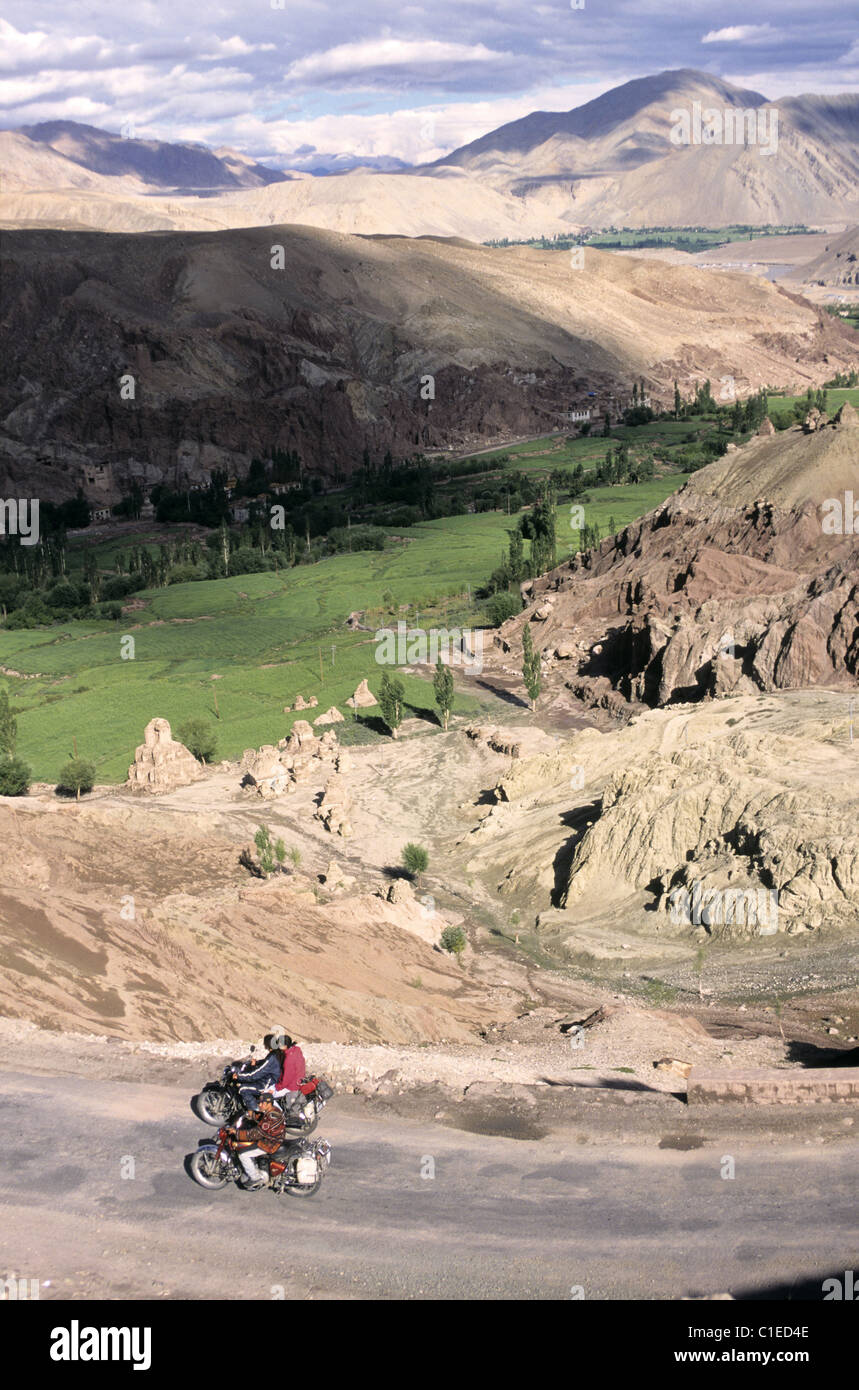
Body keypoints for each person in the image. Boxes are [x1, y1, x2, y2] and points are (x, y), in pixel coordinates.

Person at [231, 1094, 290, 1189]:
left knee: (243, 1154)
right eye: (259, 1102)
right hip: (272, 1139)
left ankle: (255, 1178)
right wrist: (250, 1114)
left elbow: (256, 1134)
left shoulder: (272, 1117)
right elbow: (261, 1117)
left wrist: (237, 1133)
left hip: (270, 1143)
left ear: (268, 1104)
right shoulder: (273, 1111)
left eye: (262, 1103)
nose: (259, 1105)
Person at [233, 1033, 286, 1110]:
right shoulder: (275, 1054)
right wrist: (256, 1063)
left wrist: (239, 1076)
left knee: (243, 1088)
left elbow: (257, 1073)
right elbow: (264, 1063)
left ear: (267, 1044)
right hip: (268, 1080)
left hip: (266, 1084)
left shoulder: (272, 1057)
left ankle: (256, 1113)